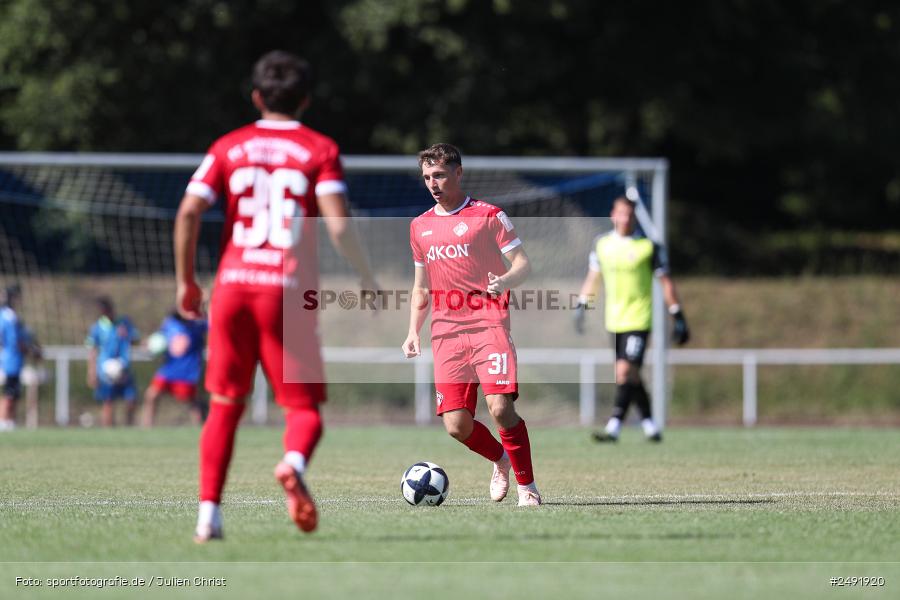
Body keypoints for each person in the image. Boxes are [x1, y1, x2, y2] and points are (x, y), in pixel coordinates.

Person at [175, 50, 377, 542]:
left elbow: (188, 212)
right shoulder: (319, 149)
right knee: (304, 411)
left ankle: (208, 518)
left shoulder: (228, 146)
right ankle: (292, 463)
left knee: (225, 404)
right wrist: (365, 274)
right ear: (305, 99)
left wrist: (186, 281)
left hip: (233, 287)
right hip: (286, 291)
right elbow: (338, 226)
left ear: (256, 97)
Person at [402, 143, 542, 507]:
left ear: (458, 173)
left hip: (488, 325)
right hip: (446, 333)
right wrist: (413, 330)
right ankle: (501, 459)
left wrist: (505, 281)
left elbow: (523, 264)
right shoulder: (419, 226)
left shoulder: (489, 215)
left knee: (500, 408)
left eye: (439, 175)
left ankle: (527, 486)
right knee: (456, 426)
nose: (433, 183)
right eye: (427, 177)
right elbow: (421, 286)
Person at [573, 195, 690, 442]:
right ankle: (650, 425)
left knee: (625, 372)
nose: (625, 218)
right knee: (630, 376)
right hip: (614, 321)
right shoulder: (602, 244)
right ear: (612, 215)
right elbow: (594, 278)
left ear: (634, 217)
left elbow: (666, 282)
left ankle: (613, 427)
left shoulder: (648, 247)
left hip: (639, 319)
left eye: (629, 214)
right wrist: (582, 305)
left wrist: (677, 314)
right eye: (621, 213)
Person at [142, 312, 208, 427]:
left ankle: (200, 427)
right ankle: (147, 425)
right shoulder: (170, 324)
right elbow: (158, 338)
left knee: (191, 402)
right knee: (151, 395)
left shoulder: (198, 326)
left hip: (187, 372)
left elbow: (214, 324)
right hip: (168, 370)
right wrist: (149, 343)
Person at [86, 296, 140, 427]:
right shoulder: (97, 327)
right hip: (105, 371)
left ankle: (129, 427)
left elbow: (135, 340)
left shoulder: (124, 323)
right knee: (108, 402)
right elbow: (92, 350)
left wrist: (129, 336)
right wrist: (92, 373)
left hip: (124, 368)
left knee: (131, 400)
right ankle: (108, 431)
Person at [0, 285, 36, 431]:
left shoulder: (6, 315)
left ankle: (10, 421)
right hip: (11, 360)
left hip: (11, 359)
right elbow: (16, 340)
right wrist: (29, 350)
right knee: (10, 392)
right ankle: (3, 421)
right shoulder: (10, 317)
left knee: (13, 392)